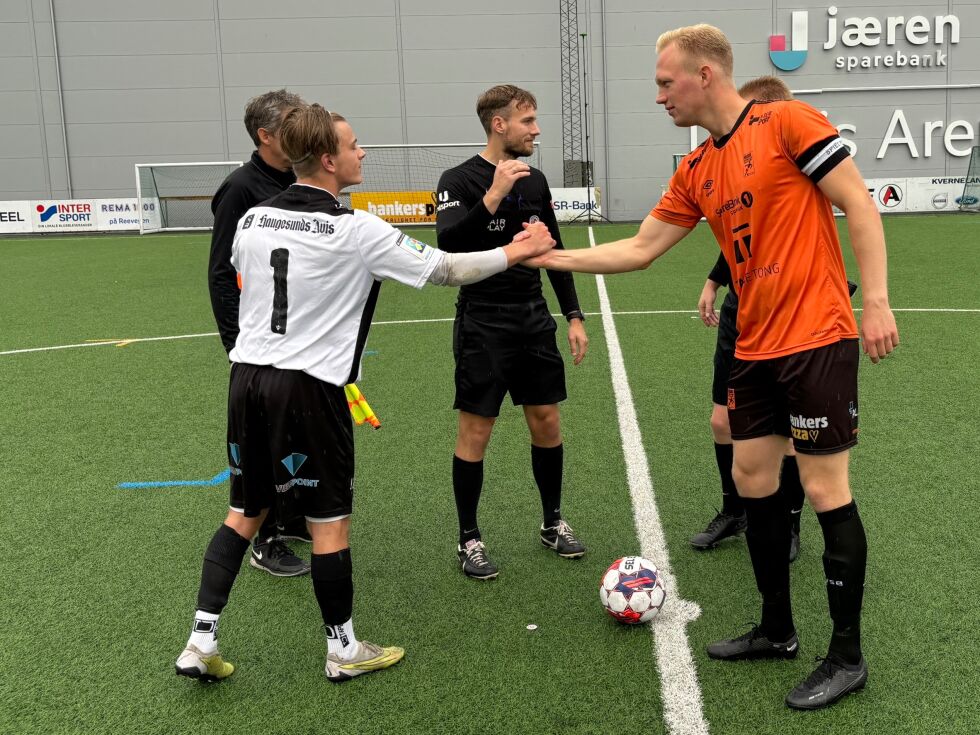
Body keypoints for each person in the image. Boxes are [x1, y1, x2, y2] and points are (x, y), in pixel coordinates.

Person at [525, 25, 898, 710]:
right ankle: (777, 628)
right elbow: (640, 248)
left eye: (667, 83)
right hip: (754, 344)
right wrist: (547, 257)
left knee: (821, 486)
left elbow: (858, 202)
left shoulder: (785, 120)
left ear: (705, 74)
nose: (660, 95)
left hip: (816, 336)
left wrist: (874, 300)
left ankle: (847, 654)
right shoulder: (697, 169)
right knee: (751, 476)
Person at [175, 103, 556, 683]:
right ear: (327, 160)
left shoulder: (253, 219)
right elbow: (445, 269)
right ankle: (343, 649)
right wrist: (518, 252)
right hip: (307, 389)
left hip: (246, 379)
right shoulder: (356, 230)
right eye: (355, 146)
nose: (363, 154)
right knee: (330, 524)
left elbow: (241, 275)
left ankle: (200, 640)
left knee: (244, 510)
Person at [436, 85, 589, 581]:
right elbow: (450, 245)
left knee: (546, 421)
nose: (536, 129)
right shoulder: (457, 179)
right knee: (476, 430)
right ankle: (469, 539)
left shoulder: (537, 180)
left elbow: (554, 250)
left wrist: (573, 315)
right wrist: (495, 194)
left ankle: (551, 522)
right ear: (499, 124)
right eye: (528, 120)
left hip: (532, 318)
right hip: (482, 321)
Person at [690, 76, 804, 560]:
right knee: (722, 421)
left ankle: (791, 523)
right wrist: (714, 282)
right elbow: (739, 237)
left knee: (789, 434)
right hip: (741, 310)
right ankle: (734, 510)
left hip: (791, 312)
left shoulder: (796, 163)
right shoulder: (733, 163)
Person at [208, 88, 310, 577]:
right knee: (262, 443)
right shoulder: (241, 188)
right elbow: (221, 275)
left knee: (298, 432)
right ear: (267, 135)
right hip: (260, 346)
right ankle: (263, 539)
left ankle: (291, 517)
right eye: (292, 120)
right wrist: (237, 346)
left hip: (301, 340)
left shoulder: (302, 179)